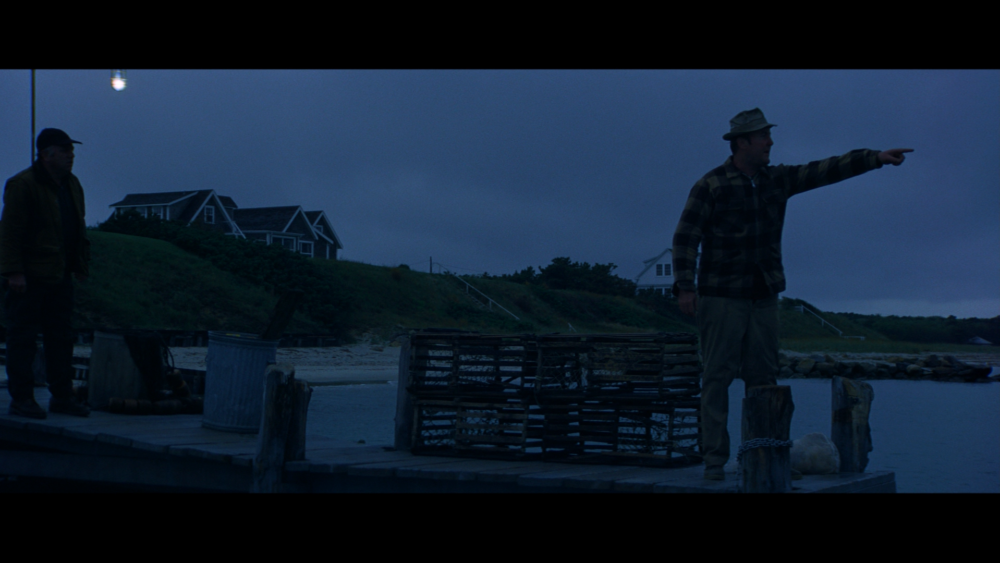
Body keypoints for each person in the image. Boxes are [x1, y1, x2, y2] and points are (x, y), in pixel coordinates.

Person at [671, 108, 911, 480]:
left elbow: (824, 170)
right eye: (763, 136)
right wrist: (685, 288)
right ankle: (714, 463)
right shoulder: (711, 185)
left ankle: (763, 457)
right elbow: (686, 237)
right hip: (721, 297)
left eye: (769, 135)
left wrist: (874, 159)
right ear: (741, 143)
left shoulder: (777, 180)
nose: (770, 142)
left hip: (764, 297)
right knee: (716, 378)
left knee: (763, 380)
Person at [1, 128, 92, 418]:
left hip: (60, 274)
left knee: (61, 338)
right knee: (23, 338)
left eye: (71, 151)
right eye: (65, 151)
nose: (71, 156)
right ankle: (22, 399)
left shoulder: (72, 184)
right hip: (29, 277)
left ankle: (62, 397)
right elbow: (10, 233)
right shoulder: (22, 184)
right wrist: (14, 272)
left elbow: (77, 226)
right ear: (46, 154)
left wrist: (79, 264)